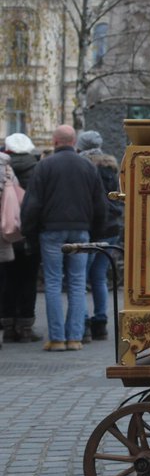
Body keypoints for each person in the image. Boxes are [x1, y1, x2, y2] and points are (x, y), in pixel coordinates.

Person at [19, 125, 107, 351]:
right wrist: (95, 234)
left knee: (53, 282)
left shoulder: (44, 166)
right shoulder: (88, 166)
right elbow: (100, 205)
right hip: (81, 230)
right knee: (78, 284)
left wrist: (30, 234)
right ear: (74, 141)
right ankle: (75, 337)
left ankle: (57, 338)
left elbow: (32, 204)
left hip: (51, 231)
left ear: (55, 141)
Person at [76, 130, 123, 341]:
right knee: (100, 276)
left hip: (93, 227)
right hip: (112, 227)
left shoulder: (83, 166)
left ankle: (84, 322)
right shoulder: (111, 167)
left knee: (82, 276)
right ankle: (101, 322)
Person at [0, 133, 41, 344]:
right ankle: (25, 327)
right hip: (29, 234)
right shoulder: (38, 169)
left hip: (6, 233)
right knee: (28, 280)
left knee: (6, 279)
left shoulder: (3, 168)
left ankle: (7, 326)